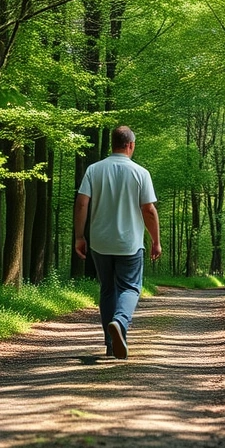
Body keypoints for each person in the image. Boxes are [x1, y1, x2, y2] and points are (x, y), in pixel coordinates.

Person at [74, 125, 161, 359]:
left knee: (107, 289)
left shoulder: (94, 170)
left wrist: (79, 236)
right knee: (130, 287)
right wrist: (155, 241)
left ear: (112, 144)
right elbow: (149, 211)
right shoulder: (140, 173)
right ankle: (120, 324)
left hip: (100, 243)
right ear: (130, 145)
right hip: (129, 244)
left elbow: (82, 203)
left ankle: (111, 344)